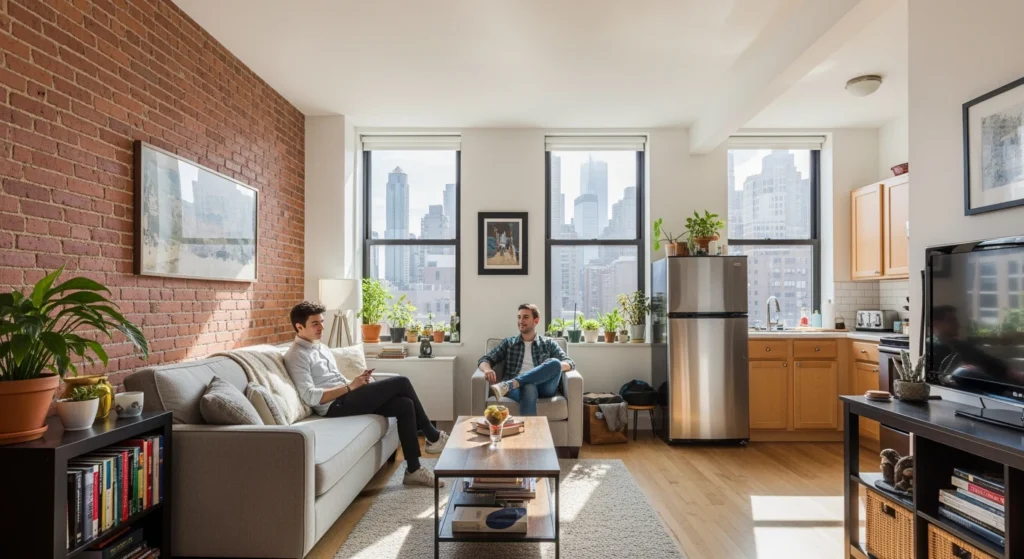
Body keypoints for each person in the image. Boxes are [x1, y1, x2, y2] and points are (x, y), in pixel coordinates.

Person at [284, 301, 449, 487]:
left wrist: (357, 382)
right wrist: (350, 387)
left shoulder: (320, 346)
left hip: (346, 396)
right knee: (402, 382)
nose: (322, 327)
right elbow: (311, 396)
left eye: (322, 321)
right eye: (315, 324)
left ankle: (413, 469)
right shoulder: (296, 355)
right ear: (299, 327)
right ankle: (433, 436)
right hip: (333, 406)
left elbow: (333, 380)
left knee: (404, 405)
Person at [477, 303, 575, 416]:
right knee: (529, 387)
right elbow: (485, 359)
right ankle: (530, 432)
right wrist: (487, 370)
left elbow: (570, 362)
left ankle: (510, 384)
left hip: (544, 387)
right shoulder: (509, 343)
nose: (521, 321)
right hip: (517, 389)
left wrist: (549, 367)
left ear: (536, 321)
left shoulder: (548, 343)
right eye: (519, 317)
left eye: (526, 317)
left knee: (555, 363)